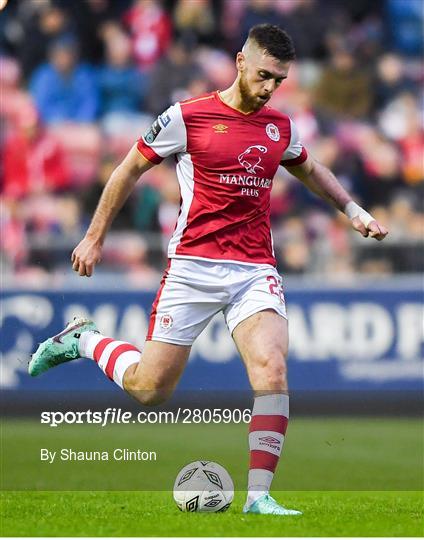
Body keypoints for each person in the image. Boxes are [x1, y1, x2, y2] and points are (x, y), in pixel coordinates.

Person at [29, 24, 388, 515]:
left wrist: (353, 212)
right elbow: (127, 169)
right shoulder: (187, 116)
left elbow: (309, 167)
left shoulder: (277, 127)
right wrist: (93, 236)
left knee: (273, 369)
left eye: (279, 81)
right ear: (240, 61)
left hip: (253, 268)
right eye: (264, 75)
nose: (269, 88)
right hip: (192, 267)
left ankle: (259, 498)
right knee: (150, 390)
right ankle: (84, 340)